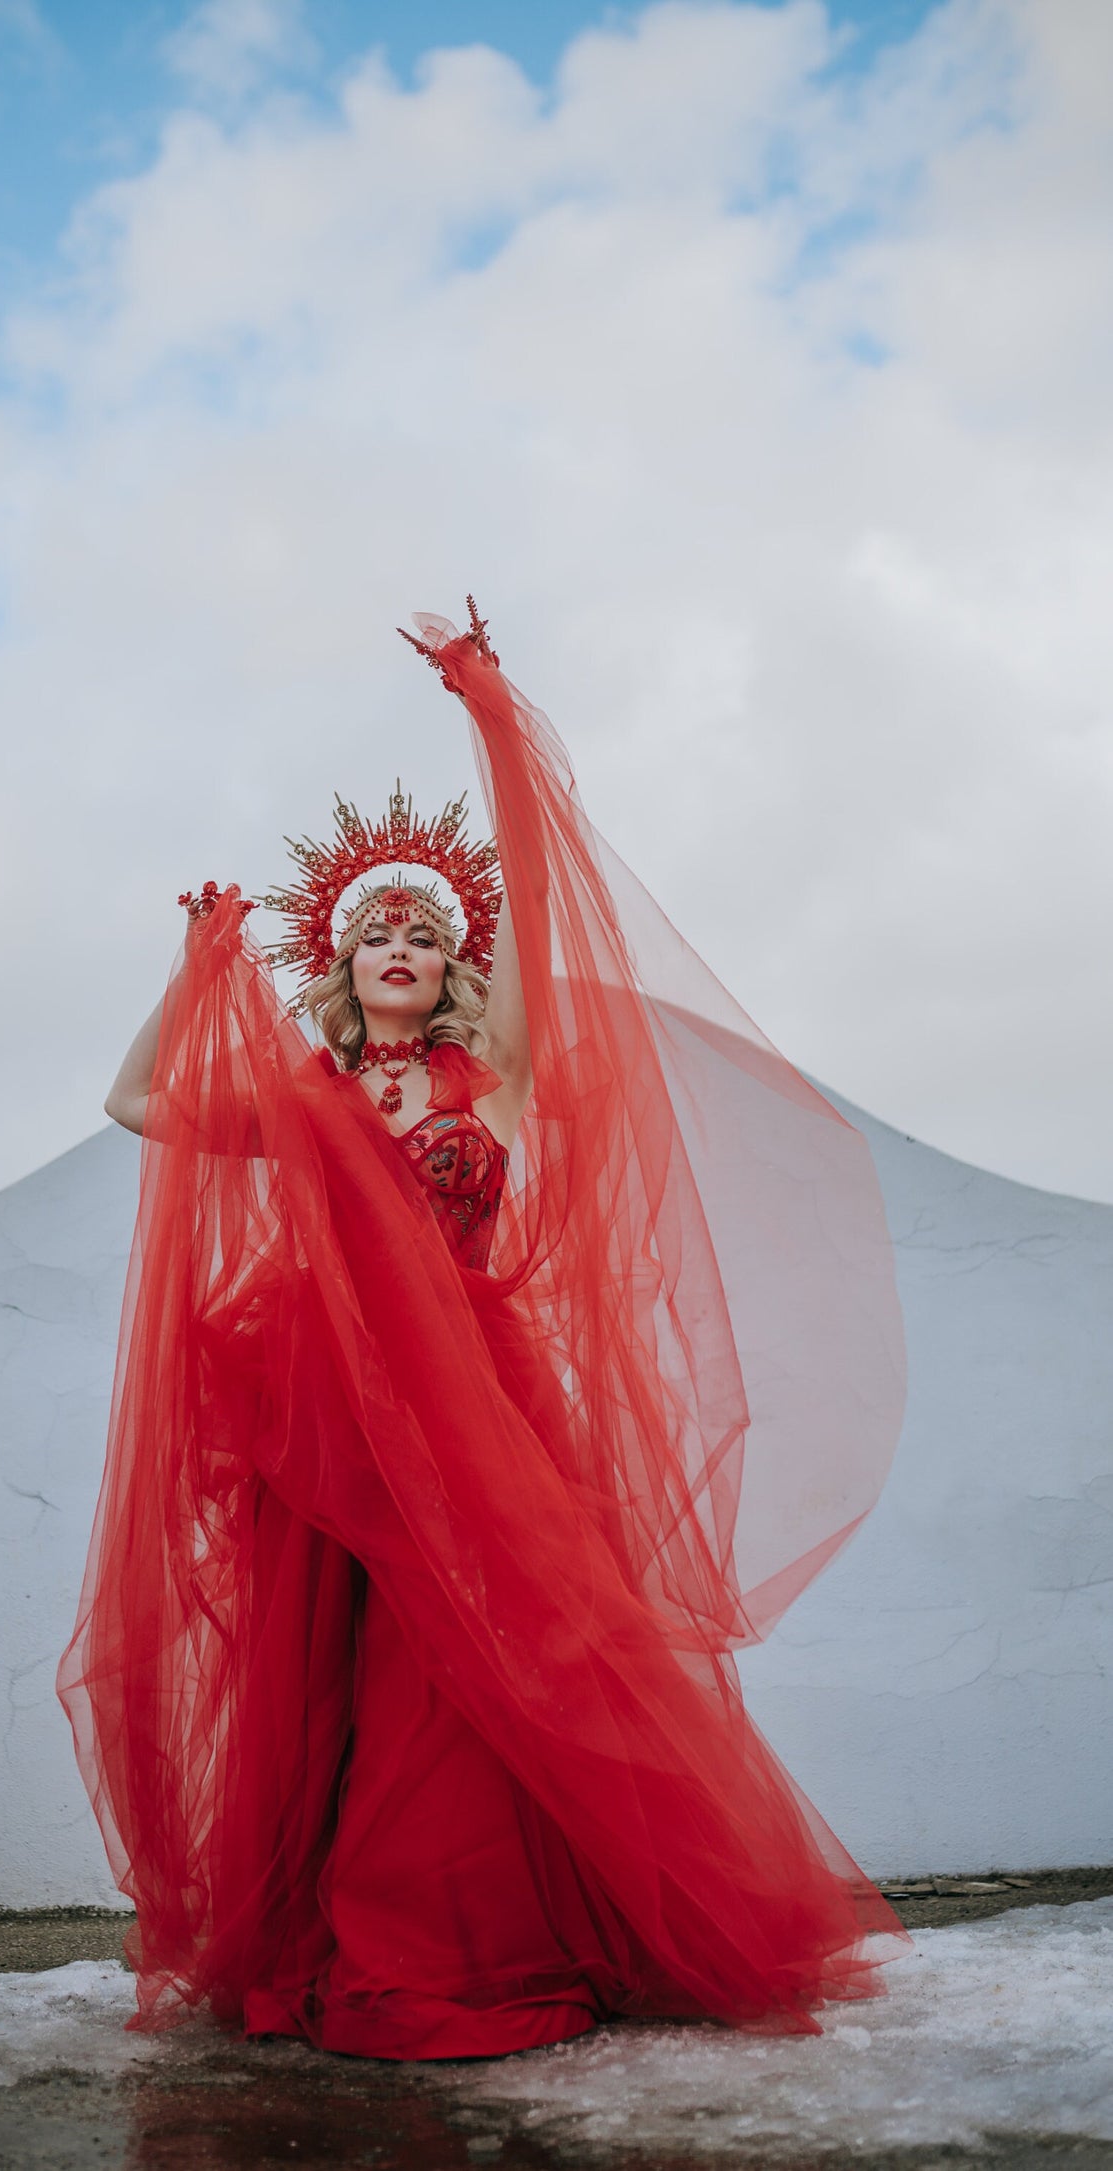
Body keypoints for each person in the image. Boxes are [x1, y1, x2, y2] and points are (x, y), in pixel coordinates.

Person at [59, 601, 910, 2059]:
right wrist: (198, 967)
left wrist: (492, 718)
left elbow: (534, 879)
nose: (396, 935)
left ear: (451, 959)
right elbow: (137, 1106)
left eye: (422, 926)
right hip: (327, 1421)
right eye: (371, 925)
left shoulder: (491, 1075)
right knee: (331, 1684)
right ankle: (335, 1933)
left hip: (471, 1411)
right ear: (336, 959)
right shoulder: (312, 1102)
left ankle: (474, 1938)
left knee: (468, 1684)